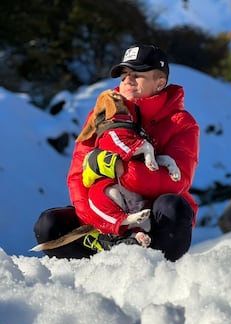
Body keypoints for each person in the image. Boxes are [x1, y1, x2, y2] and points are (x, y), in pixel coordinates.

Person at [34, 44, 200, 261]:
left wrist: (120, 169)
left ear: (160, 83)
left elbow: (176, 182)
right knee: (49, 225)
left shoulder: (181, 123)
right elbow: (77, 177)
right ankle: (108, 255)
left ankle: (154, 267)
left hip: (154, 220)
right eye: (124, 75)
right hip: (107, 213)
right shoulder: (102, 114)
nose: (127, 80)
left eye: (137, 75)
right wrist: (104, 223)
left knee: (173, 206)